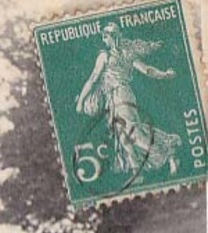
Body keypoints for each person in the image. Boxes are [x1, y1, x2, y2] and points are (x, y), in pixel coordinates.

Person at [76, 23, 180, 183]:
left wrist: (81, 101)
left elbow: (92, 79)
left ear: (112, 37)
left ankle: (169, 153)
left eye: (105, 36)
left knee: (134, 134)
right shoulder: (127, 54)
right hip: (119, 97)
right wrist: (164, 74)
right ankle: (137, 172)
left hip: (119, 97)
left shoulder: (105, 56)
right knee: (123, 135)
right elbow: (147, 70)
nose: (104, 39)